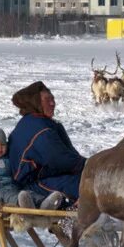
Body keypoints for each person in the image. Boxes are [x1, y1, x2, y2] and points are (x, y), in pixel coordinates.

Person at [8, 81, 83, 209]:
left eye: (53, 99)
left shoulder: (40, 122)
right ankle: (70, 223)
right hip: (32, 185)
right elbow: (60, 159)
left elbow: (69, 157)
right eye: (47, 100)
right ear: (35, 102)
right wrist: (89, 165)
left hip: (46, 176)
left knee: (88, 180)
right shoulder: (39, 129)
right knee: (85, 186)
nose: (53, 103)